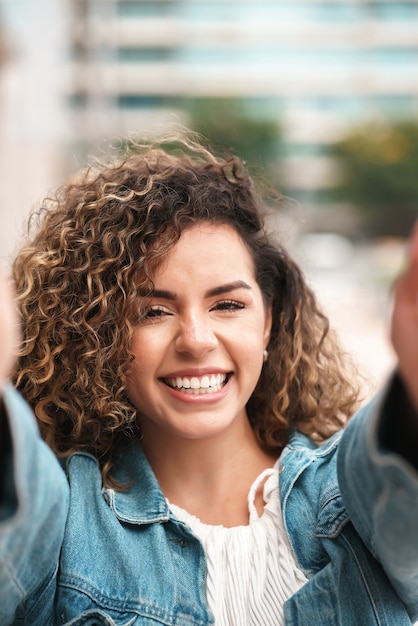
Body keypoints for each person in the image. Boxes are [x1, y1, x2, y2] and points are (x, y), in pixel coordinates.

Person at [0, 131, 417, 626]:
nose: (196, 340)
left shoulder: (350, 496)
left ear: (267, 321)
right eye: (153, 311)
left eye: (227, 305)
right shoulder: (66, 518)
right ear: (101, 333)